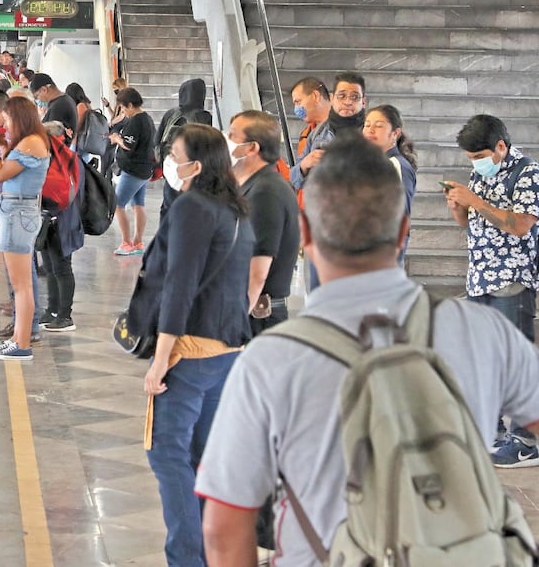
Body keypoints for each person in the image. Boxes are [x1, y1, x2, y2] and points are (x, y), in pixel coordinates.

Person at [194, 136, 539, 567]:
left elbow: (224, 527)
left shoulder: (270, 360)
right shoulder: (485, 331)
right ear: (401, 230)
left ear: (305, 232)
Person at [143, 123, 254, 567]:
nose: (170, 160)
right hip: (227, 350)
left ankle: (186, 559)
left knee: (167, 455)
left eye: (176, 153)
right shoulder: (236, 207)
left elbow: (179, 285)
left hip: (190, 351)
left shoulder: (192, 206)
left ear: (198, 162)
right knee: (203, 458)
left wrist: (159, 360)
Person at [444, 113, 539, 466]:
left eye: (480, 157)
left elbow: (520, 226)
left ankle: (527, 441)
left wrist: (476, 202)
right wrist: (459, 209)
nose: (476, 164)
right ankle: (493, 431)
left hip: (512, 280)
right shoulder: (479, 174)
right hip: (480, 278)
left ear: (501, 146)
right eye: (471, 160)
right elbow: (472, 227)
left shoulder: (527, 173)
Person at [0, 95, 50, 361]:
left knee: (22, 287)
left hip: (19, 213)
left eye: (6, 120)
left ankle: (22, 344)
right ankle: (17, 339)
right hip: (16, 210)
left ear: (19, 118)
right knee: (21, 285)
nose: (4, 125)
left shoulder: (31, 143)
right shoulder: (30, 141)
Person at [291, 71, 367, 290]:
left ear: (364, 101)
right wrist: (306, 165)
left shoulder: (371, 132)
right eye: (342, 96)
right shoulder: (316, 134)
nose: (347, 103)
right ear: (333, 98)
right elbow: (295, 179)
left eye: (354, 97)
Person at [227, 110, 299, 333]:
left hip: (256, 318)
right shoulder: (253, 186)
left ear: (252, 147)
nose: (226, 143)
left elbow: (256, 273)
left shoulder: (266, 192)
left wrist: (230, 325)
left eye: (232, 136)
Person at [37, 120, 84, 333]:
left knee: (62, 268)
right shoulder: (62, 157)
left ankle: (65, 315)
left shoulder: (63, 158)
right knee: (50, 266)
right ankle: (52, 310)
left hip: (61, 220)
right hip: (52, 219)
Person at [362, 104, 417, 262]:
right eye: (367, 125)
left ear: (395, 133)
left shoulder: (395, 165)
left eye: (379, 126)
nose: (370, 130)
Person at [108, 87, 155, 256]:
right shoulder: (147, 118)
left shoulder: (136, 121)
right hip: (144, 169)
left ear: (129, 105)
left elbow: (128, 145)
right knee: (138, 205)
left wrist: (116, 139)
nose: (123, 112)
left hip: (133, 170)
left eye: (122, 108)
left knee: (117, 205)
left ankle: (126, 242)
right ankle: (137, 242)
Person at [156, 78, 213, 216]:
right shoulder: (204, 117)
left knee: (168, 207)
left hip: (171, 169)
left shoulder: (171, 114)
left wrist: (162, 162)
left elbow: (157, 140)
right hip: (192, 173)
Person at [289, 77, 331, 209]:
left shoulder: (339, 129)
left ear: (315, 96)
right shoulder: (307, 133)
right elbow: (294, 176)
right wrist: (304, 165)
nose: (297, 109)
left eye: (298, 102)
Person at [30, 73, 78, 144]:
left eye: (36, 96)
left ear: (44, 90)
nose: (38, 100)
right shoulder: (65, 99)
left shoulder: (59, 106)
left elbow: (51, 139)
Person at [101, 77, 128, 180]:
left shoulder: (125, 100)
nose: (115, 93)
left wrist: (111, 123)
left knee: (105, 153)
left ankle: (104, 178)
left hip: (117, 130)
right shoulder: (120, 101)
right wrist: (107, 106)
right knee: (108, 155)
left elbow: (121, 116)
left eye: (116, 90)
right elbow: (115, 116)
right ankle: (107, 180)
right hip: (114, 129)